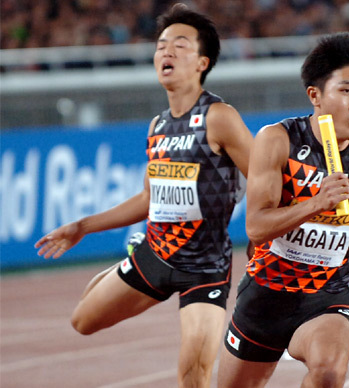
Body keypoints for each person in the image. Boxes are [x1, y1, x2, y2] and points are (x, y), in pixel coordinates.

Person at [34, 4, 253, 387]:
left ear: (202, 62)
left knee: (194, 374)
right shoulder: (158, 126)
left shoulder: (219, 117)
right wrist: (82, 226)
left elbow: (265, 180)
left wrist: (266, 237)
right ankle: (135, 258)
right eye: (161, 45)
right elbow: (149, 198)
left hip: (205, 269)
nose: (166, 52)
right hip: (154, 254)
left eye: (179, 45)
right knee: (83, 321)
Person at [216, 32, 349, 388]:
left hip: (326, 294)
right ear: (315, 95)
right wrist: (316, 203)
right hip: (266, 294)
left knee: (329, 372)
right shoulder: (278, 141)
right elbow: (255, 226)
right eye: (346, 91)